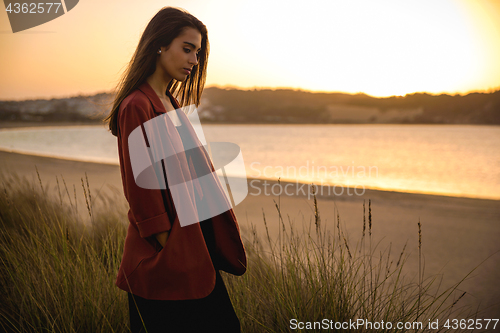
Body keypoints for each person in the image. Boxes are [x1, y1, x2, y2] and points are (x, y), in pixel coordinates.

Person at [104, 7, 247, 333]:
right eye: (187, 49)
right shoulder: (137, 105)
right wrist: (171, 246)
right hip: (166, 258)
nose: (194, 60)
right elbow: (142, 193)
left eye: (198, 52)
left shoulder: (172, 102)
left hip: (195, 247)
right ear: (159, 45)